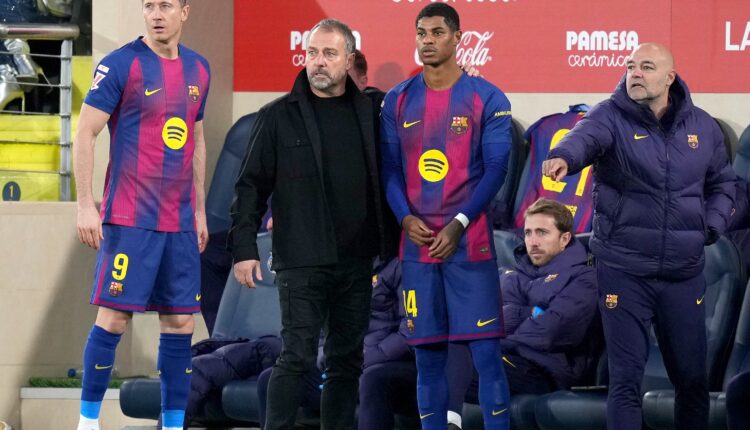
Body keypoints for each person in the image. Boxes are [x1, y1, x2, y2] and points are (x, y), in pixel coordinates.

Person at [542, 43, 735, 430]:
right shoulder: (608, 116)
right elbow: (583, 138)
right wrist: (564, 156)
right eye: (631, 66)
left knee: (692, 381)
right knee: (625, 380)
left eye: (646, 67)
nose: (635, 73)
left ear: (669, 78)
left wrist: (710, 226)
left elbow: (725, 186)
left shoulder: (702, 127)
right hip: (623, 270)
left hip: (682, 272)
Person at [229, 18, 396, 430]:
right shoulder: (276, 117)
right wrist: (245, 249)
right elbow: (249, 187)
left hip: (357, 260)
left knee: (346, 360)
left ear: (349, 60)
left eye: (329, 54)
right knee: (297, 356)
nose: (318, 62)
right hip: (301, 259)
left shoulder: (372, 113)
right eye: (312, 53)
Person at [73, 1, 210, 430]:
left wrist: (200, 210)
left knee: (180, 322)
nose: (155, 14)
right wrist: (85, 204)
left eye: (165, 5)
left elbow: (196, 138)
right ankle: (87, 423)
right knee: (114, 317)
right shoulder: (120, 65)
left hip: (180, 223)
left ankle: (173, 425)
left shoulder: (199, 70)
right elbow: (85, 132)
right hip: (130, 219)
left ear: (184, 12)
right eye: (149, 5)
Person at [380, 3, 513, 429]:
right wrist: (404, 217)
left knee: (486, 355)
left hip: (469, 247)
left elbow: (497, 170)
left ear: (457, 38)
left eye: (437, 33)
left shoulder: (487, 98)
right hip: (417, 250)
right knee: (427, 356)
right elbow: (390, 169)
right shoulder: (397, 99)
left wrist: (459, 223)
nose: (428, 41)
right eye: (421, 33)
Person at [445, 198, 600, 429]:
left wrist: (498, 334)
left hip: (541, 370)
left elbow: (549, 331)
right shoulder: (511, 275)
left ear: (565, 238)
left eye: (542, 233)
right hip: (501, 356)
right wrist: (526, 313)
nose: (533, 242)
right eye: (528, 233)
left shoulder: (584, 278)